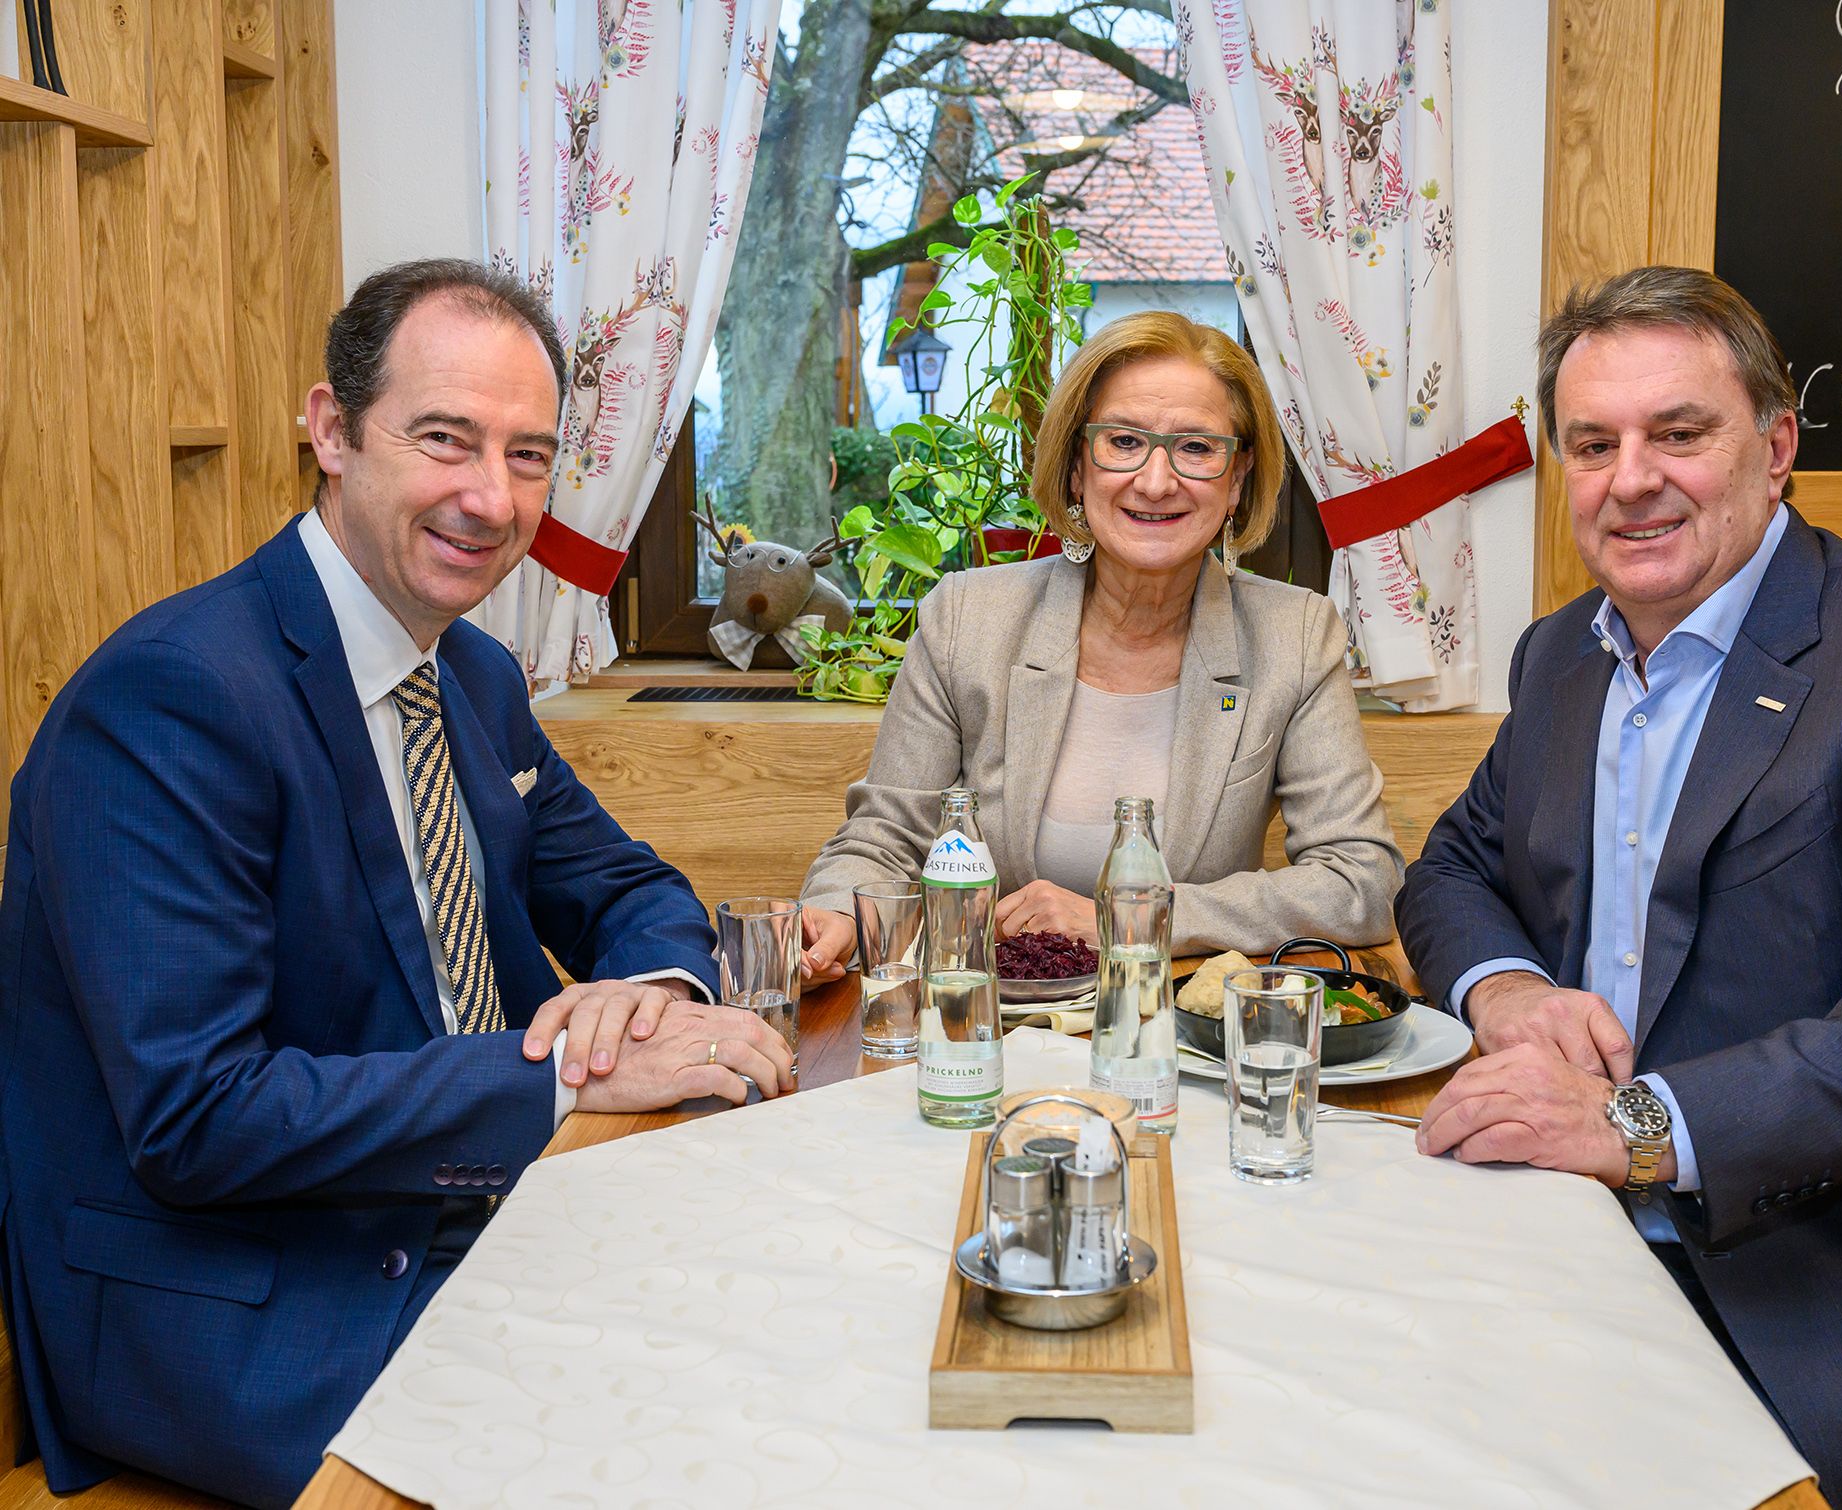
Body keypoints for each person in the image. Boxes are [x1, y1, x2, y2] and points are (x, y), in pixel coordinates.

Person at [0, 259, 794, 1508]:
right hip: (248, 1300)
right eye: (444, 439)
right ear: (330, 430)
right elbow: (196, 1120)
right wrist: (562, 1075)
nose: (491, 497)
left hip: (458, 1212)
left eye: (529, 456)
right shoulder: (173, 697)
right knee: (707, 1428)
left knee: (788, 1309)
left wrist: (640, 991)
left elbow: (627, 886)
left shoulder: (466, 675)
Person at [1400, 265, 1842, 1510]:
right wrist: (1508, 987)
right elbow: (1452, 867)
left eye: (1678, 433)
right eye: (1592, 443)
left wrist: (1629, 1127)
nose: (1630, 478)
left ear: (1775, 444)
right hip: (1598, 1234)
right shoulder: (1561, 654)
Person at [800, 310, 1402, 968]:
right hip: (989, 1022)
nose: (1155, 481)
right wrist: (835, 912)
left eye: (1197, 449)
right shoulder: (967, 620)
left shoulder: (1296, 635)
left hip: (1177, 1028)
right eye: (1123, 442)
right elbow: (883, 839)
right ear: (1077, 468)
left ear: (1237, 480)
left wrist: (1133, 918)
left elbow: (1359, 881)